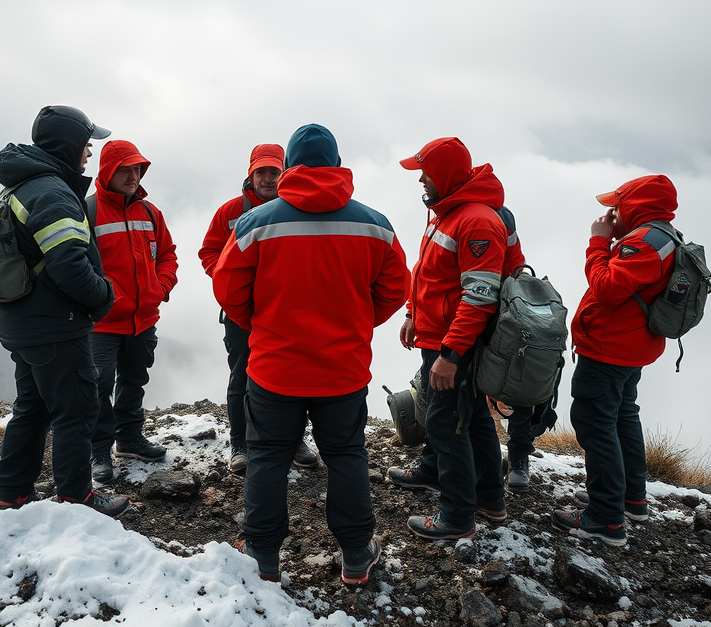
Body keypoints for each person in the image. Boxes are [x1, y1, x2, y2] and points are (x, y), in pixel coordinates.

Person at [213, 124, 410, 586]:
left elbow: (228, 291)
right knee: (346, 456)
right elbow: (394, 290)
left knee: (266, 457)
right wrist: (356, 321)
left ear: (291, 166)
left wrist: (264, 322)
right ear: (337, 165)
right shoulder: (375, 224)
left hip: (274, 368)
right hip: (342, 369)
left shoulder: (255, 223)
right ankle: (358, 554)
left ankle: (262, 556)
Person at [0, 105, 128, 518]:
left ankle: (13, 493)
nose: (89, 152)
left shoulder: (22, 184)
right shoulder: (52, 191)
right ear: (70, 144)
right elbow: (68, 264)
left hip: (22, 322)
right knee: (77, 409)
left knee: (31, 409)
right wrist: (103, 296)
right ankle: (76, 497)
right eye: (87, 143)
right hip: (54, 325)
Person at [392, 137, 523, 542]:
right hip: (440, 335)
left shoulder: (476, 221)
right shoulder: (447, 212)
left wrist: (450, 354)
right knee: (474, 418)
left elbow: (479, 295)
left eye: (425, 174)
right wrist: (414, 312)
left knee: (445, 421)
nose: (421, 182)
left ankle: (456, 516)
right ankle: (488, 499)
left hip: (458, 343)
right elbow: (431, 274)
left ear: (444, 174)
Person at [551, 175, 678, 547]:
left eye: (616, 206)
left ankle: (605, 519)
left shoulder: (643, 243)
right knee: (622, 415)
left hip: (610, 349)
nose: (610, 212)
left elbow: (606, 289)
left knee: (593, 422)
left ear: (633, 207)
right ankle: (629, 498)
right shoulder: (664, 236)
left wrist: (598, 241)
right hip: (631, 348)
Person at [198, 143, 319, 475]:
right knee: (241, 375)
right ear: (250, 174)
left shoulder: (298, 208)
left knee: (292, 375)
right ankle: (240, 444)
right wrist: (229, 284)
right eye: (261, 172)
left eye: (273, 172)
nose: (267, 178)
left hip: (286, 312)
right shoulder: (230, 212)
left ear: (284, 172)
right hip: (241, 313)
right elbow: (208, 252)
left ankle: (295, 441)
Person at [89, 140, 178, 481]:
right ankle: (99, 450)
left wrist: (162, 287)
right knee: (98, 385)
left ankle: (128, 439)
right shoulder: (89, 212)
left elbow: (168, 254)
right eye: (126, 169)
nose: (133, 175)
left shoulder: (150, 213)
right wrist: (99, 300)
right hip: (102, 323)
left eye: (137, 169)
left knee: (134, 379)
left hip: (143, 320)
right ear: (108, 172)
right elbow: (78, 264)